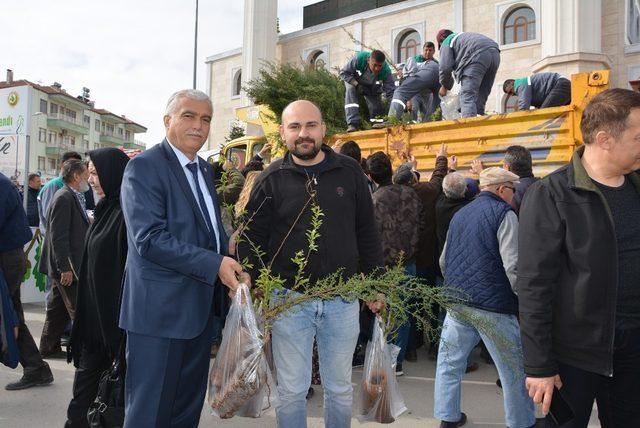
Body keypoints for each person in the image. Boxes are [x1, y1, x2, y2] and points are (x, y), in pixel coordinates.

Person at [238, 100, 383, 428]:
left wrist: (375, 284)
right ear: (283, 132)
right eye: (295, 127)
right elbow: (250, 240)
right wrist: (258, 285)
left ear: (323, 129)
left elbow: (367, 233)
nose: (304, 134)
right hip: (289, 302)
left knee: (339, 389)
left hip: (343, 300)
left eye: (311, 126)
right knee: (291, 391)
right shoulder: (271, 179)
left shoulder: (350, 173)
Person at [119, 89, 243, 427]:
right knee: (150, 413)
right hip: (158, 316)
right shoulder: (144, 168)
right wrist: (214, 264)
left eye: (205, 119)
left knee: (185, 412)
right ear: (167, 121)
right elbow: (149, 239)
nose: (198, 126)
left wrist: (228, 256)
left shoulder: (203, 169)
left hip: (199, 313)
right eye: (189, 116)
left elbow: (205, 233)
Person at [518, 88, 640, 427]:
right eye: (638, 137)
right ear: (605, 139)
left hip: (634, 350)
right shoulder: (551, 195)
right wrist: (539, 366)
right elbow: (533, 286)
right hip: (573, 356)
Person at [436, 167, 535, 428]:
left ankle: (448, 417)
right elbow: (513, 265)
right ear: (502, 189)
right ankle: (521, 422)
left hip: (457, 302)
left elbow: (444, 261)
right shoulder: (504, 214)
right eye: (513, 191)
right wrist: (524, 302)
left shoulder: (460, 214)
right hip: (493, 305)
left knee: (449, 364)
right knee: (512, 369)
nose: (514, 197)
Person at [65, 148, 130, 427]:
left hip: (115, 331)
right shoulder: (104, 211)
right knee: (83, 399)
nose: (91, 179)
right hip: (94, 329)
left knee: (108, 403)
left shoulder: (127, 215)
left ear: (114, 175)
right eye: (89, 173)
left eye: (95, 173)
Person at [367, 151, 422, 376]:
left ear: (370, 175)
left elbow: (370, 237)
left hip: (384, 266)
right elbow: (420, 224)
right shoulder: (410, 194)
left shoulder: (374, 200)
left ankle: (384, 358)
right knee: (402, 313)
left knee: (381, 313)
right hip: (408, 261)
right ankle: (396, 360)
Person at [1, 172, 53, 391]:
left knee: (7, 315)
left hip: (7, 258)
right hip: (8, 256)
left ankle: (36, 368)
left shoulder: (1, 185)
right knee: (11, 315)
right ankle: (36, 368)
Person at [38, 159, 90, 358]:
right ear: (76, 176)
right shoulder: (64, 197)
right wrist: (65, 268)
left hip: (65, 266)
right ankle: (84, 352)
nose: (89, 179)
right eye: (86, 174)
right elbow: (58, 237)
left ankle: (48, 348)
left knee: (56, 310)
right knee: (77, 310)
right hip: (66, 268)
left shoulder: (72, 196)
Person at [436, 29, 501, 118]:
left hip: (476, 55)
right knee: (480, 95)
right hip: (495, 53)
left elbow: (445, 67)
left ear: (440, 41)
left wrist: (445, 85)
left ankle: (469, 127)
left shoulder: (447, 41)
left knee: (467, 95)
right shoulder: (465, 37)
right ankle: (479, 123)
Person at [340, 50, 396, 132]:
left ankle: (376, 124)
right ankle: (353, 123)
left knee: (375, 107)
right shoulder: (359, 58)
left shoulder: (386, 71)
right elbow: (344, 73)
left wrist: (396, 110)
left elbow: (391, 92)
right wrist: (356, 85)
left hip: (371, 86)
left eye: (380, 66)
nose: (377, 68)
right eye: (374, 65)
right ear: (368, 60)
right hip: (354, 80)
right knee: (350, 89)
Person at [389, 48, 441, 121]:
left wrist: (408, 101)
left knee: (399, 92)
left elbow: (410, 78)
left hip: (430, 71)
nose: (399, 74)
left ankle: (392, 120)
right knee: (431, 112)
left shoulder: (409, 62)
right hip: (437, 79)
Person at [403, 42, 439, 122]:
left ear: (434, 51)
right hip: (415, 92)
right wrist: (408, 100)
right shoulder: (415, 60)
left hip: (427, 93)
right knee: (413, 111)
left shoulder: (436, 63)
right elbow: (408, 78)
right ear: (423, 50)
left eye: (430, 50)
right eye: (426, 50)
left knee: (427, 115)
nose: (427, 52)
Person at [503, 72, 571, 111]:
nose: (512, 95)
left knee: (543, 113)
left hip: (560, 84)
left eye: (510, 92)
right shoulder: (527, 87)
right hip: (562, 86)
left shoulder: (519, 83)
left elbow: (524, 106)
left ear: (512, 84)